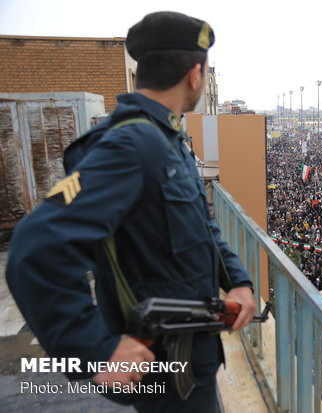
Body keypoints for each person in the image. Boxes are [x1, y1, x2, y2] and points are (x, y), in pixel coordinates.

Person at [5, 11, 255, 413]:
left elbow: (203, 227)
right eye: (205, 71)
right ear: (194, 74)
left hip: (192, 353)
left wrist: (238, 282)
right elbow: (35, 248)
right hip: (161, 368)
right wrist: (94, 349)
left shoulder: (167, 139)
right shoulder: (134, 145)